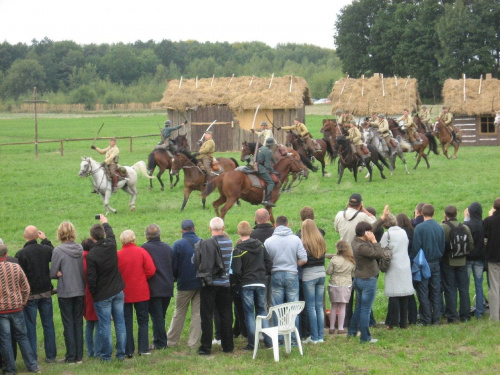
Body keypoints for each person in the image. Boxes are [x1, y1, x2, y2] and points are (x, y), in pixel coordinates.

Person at [86, 215, 126, 361]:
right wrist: (105, 222)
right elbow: (111, 234)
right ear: (103, 234)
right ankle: (121, 353)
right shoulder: (111, 245)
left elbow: (91, 278)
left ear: (92, 237)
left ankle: (107, 356)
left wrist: (94, 293)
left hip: (103, 295)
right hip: (117, 290)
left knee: (105, 326)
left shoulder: (92, 255)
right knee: (120, 323)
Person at [15, 225, 57, 363]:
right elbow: (55, 253)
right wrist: (45, 240)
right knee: (48, 326)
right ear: (37, 236)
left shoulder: (21, 254)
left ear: (25, 236)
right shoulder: (45, 250)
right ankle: (51, 356)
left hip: (30, 295)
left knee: (30, 327)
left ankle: (32, 357)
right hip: (46, 293)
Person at [264, 216, 307, 344]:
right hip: (292, 274)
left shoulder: (269, 241)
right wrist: (294, 264)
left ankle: (280, 338)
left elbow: (266, 261)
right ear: (288, 224)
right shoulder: (295, 239)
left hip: (276, 274)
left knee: (278, 308)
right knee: (293, 308)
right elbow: (304, 258)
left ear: (275, 226)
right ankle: (293, 339)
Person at [231, 221, 273, 351]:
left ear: (239, 232)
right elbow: (268, 262)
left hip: (246, 283)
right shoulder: (260, 246)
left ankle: (252, 343)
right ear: (250, 232)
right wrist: (262, 273)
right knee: (262, 311)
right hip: (260, 282)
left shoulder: (238, 249)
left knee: (249, 313)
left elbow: (236, 270)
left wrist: (239, 280)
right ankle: (268, 341)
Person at [0, 244, 40, 374]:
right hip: (17, 308)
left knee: (5, 340)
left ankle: (10, 370)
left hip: (1, 311)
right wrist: (22, 302)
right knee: (23, 337)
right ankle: (32, 366)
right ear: (6, 254)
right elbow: (26, 287)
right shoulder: (16, 267)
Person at [197, 217, 234, 355]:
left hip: (209, 284)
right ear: (223, 228)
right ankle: (228, 346)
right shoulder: (230, 243)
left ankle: (205, 347)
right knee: (225, 315)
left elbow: (195, 260)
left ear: (210, 228)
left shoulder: (204, 244)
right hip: (225, 284)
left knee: (206, 316)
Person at [50, 221, 85, 364]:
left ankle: (70, 357)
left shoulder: (58, 251)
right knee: (78, 323)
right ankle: (79, 356)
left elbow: (53, 273)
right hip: (80, 290)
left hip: (65, 291)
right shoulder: (80, 248)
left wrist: (57, 273)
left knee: (68, 324)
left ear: (60, 233)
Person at [117, 230, 156, 357]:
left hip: (125, 292)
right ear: (134, 239)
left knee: (126, 322)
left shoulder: (118, 255)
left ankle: (128, 350)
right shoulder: (141, 252)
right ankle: (143, 348)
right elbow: (151, 270)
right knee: (143, 321)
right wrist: (142, 278)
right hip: (141, 291)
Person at [167, 219, 202, 349]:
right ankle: (193, 343)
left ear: (182, 230)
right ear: (194, 228)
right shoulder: (202, 242)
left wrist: (175, 278)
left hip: (184, 283)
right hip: (200, 283)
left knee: (179, 312)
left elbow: (173, 266)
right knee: (197, 314)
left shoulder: (177, 244)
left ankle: (171, 341)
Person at [348, 221, 384, 343]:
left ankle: (352, 331)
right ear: (366, 234)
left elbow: (370, 228)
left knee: (359, 307)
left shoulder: (356, 239)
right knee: (365, 310)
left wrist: (382, 219)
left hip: (359, 279)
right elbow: (379, 254)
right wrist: (374, 241)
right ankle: (365, 337)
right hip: (368, 280)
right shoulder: (362, 247)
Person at [411, 204, 445, 325]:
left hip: (423, 263)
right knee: (436, 291)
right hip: (436, 262)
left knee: (423, 291)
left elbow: (415, 247)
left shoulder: (419, 228)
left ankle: (426, 318)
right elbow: (442, 246)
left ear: (421, 213)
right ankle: (436, 319)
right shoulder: (439, 227)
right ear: (434, 213)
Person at [141, 224, 174, 350]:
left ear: (147, 236)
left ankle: (160, 343)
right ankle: (159, 340)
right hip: (167, 286)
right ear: (159, 234)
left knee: (157, 316)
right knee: (160, 316)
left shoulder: (144, 248)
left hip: (153, 287)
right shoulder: (168, 248)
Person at [380, 213, 415, 329]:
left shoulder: (387, 234)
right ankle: (404, 322)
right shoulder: (403, 232)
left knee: (394, 294)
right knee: (404, 294)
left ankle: (393, 322)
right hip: (405, 264)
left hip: (393, 265)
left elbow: (381, 248)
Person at [440, 205, 473, 323]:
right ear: (457, 213)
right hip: (462, 261)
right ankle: (465, 315)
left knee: (450, 289)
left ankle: (452, 316)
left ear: (445, 214)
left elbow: (441, 245)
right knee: (464, 289)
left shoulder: (443, 227)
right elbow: (471, 244)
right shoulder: (465, 227)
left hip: (448, 261)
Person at [300, 219, 326, 344]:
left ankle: (314, 336)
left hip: (309, 274)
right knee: (319, 306)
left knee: (311, 307)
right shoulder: (321, 240)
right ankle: (321, 336)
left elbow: (302, 259)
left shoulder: (303, 242)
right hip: (321, 272)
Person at [326, 240, 355, 335]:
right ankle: (341, 328)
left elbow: (329, 272)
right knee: (343, 306)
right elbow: (353, 272)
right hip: (346, 284)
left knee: (334, 306)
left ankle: (331, 327)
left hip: (334, 283)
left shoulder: (334, 259)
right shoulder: (351, 260)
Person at [464, 202, 486, 319]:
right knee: (479, 285)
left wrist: (466, 217)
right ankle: (480, 311)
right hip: (480, 258)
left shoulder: (467, 224)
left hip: (468, 258)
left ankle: (466, 310)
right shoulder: (483, 224)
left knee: (465, 285)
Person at [395, 213, 418, 325]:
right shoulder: (412, 231)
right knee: (410, 291)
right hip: (411, 261)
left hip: (401, 264)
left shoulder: (400, 233)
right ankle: (413, 317)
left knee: (401, 291)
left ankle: (401, 317)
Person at [81, 238, 101, 358]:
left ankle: (90, 351)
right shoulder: (92, 259)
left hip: (84, 293)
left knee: (89, 322)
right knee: (98, 322)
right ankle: (97, 350)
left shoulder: (79, 259)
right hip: (94, 292)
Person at [484, 198, 500, 322]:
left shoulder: (488, 221)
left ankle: (495, 317)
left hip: (493, 257)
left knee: (494, 287)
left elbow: (484, 238)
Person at [256, 137, 278, 207]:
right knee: (271, 182)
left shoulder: (261, 148)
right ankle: (267, 200)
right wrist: (273, 171)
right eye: (273, 145)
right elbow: (267, 165)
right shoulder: (268, 151)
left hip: (256, 165)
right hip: (261, 168)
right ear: (271, 145)